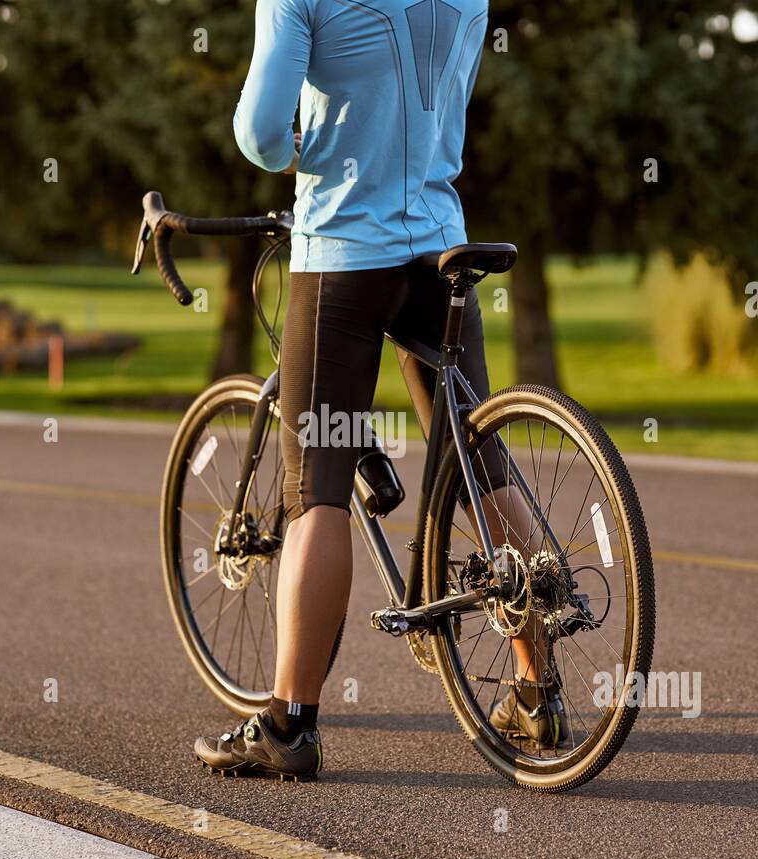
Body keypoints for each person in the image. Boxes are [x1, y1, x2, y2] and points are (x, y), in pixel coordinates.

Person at [193, 0, 567, 781]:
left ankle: (289, 724)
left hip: (342, 253)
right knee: (482, 465)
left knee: (316, 491)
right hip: (441, 246)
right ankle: (535, 689)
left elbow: (262, 132)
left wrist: (301, 149)